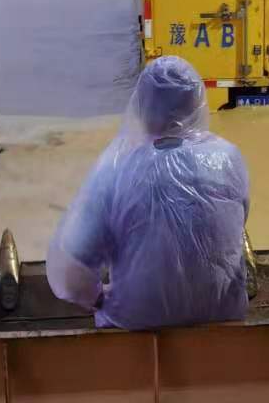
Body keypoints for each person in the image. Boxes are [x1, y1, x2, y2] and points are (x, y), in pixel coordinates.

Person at [46, 56, 250, 330]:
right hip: (224, 318)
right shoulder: (229, 158)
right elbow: (236, 225)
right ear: (197, 104)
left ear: (141, 109)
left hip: (134, 325)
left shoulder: (116, 170)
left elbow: (70, 275)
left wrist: (97, 298)